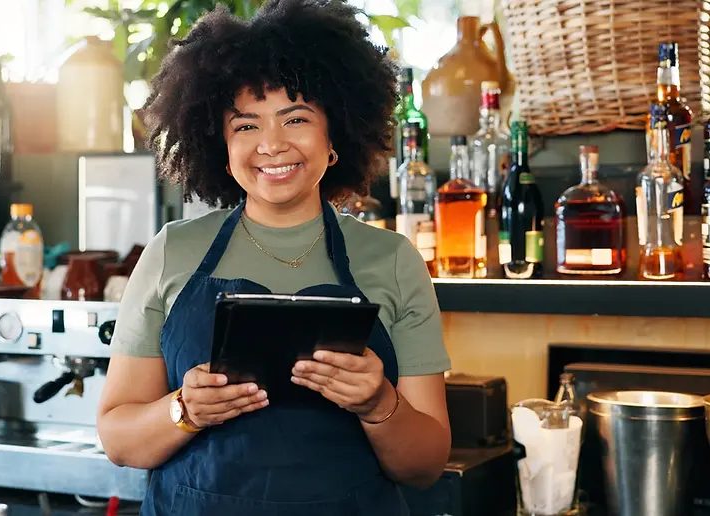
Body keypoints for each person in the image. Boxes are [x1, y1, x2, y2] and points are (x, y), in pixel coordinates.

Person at [97, 0, 452, 514]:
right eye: (246, 125)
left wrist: (379, 404)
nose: (272, 144)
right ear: (221, 146)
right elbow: (119, 440)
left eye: (296, 118)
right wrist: (186, 409)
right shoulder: (172, 251)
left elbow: (425, 467)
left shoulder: (393, 259)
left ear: (334, 136)